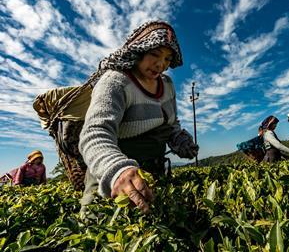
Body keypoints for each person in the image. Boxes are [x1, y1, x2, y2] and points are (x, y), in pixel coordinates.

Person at [79, 20, 199, 217]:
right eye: (154, 54)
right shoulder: (116, 81)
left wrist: (180, 140)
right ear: (138, 50)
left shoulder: (167, 85)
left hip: (153, 171)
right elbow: (95, 133)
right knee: (96, 230)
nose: (161, 64)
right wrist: (117, 170)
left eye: (168, 59)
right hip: (114, 173)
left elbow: (170, 123)